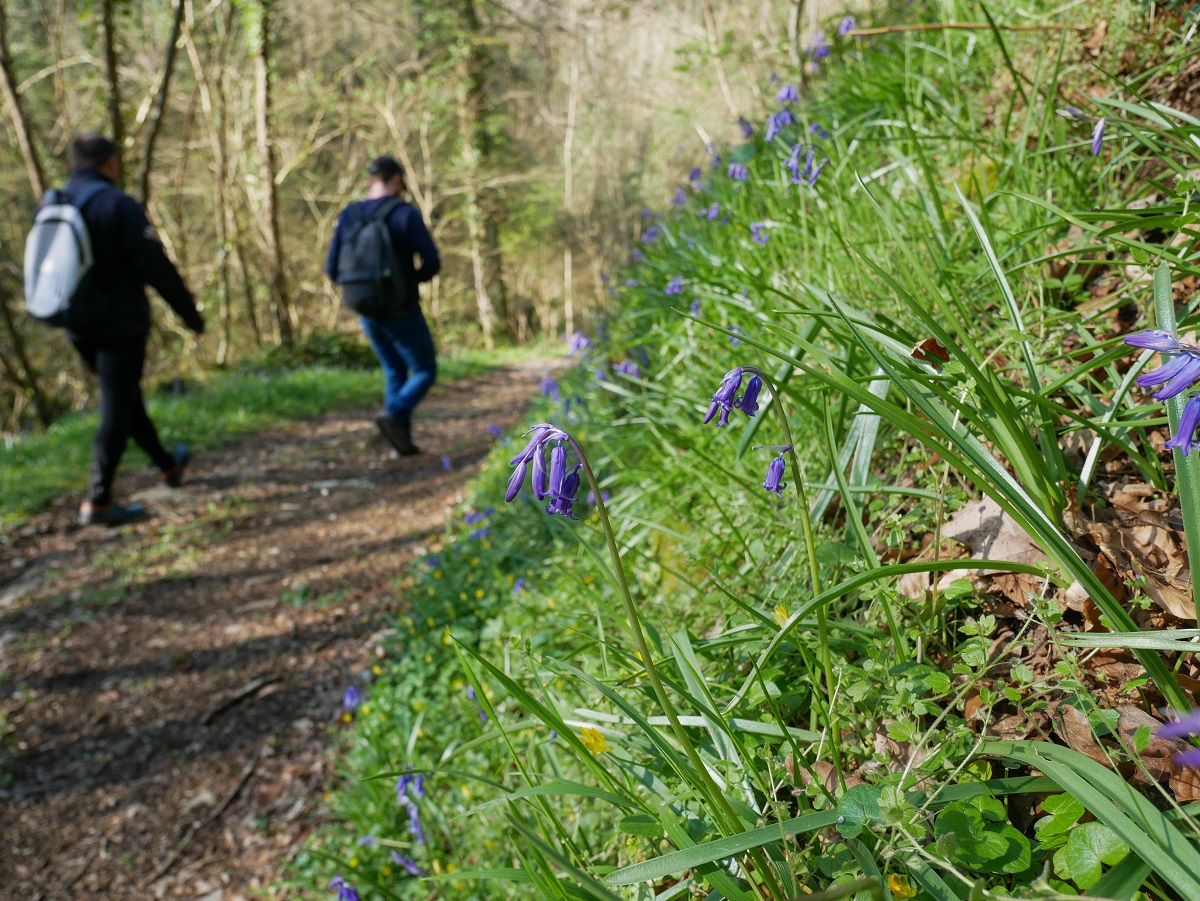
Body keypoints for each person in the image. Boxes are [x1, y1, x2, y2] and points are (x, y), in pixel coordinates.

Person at [54, 133, 205, 526]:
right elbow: (156, 267)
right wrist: (191, 316)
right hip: (120, 325)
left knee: (124, 397)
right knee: (117, 408)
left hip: (76, 323)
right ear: (110, 162)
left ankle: (168, 465)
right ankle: (98, 500)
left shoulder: (54, 202)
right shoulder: (117, 205)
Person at [325, 155, 440, 455]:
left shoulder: (350, 215)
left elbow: (332, 269)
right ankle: (395, 414)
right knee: (425, 369)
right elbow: (432, 263)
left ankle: (400, 442)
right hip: (402, 309)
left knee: (394, 372)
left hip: (367, 311)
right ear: (397, 180)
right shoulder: (405, 215)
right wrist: (408, 281)